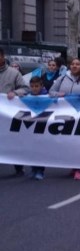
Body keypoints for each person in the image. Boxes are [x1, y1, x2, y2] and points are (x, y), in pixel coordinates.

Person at [0, 47, 30, 176]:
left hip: (8, 113)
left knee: (11, 139)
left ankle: (18, 165)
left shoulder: (13, 73)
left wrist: (15, 93)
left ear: (2, 56)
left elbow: (25, 88)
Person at [23, 76, 47, 180]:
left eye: (37, 86)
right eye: (32, 86)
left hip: (42, 125)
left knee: (40, 149)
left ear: (41, 86)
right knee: (31, 149)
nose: (34, 88)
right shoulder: (28, 96)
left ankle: (40, 171)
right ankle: (33, 169)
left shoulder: (47, 97)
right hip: (31, 126)